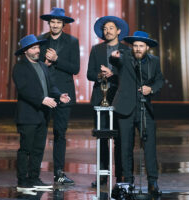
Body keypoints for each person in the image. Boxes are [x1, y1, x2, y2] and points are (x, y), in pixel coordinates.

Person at [13, 34, 70, 191]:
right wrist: (41, 99)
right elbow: (24, 90)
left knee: (38, 149)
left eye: (38, 47)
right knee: (26, 149)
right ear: (25, 51)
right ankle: (22, 181)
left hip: (42, 115)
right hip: (27, 115)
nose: (37, 50)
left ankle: (34, 178)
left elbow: (51, 86)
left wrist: (59, 95)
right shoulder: (20, 67)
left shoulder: (43, 66)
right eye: (33, 48)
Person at [110, 31, 164, 196]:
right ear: (132, 47)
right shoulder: (125, 57)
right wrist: (114, 57)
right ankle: (127, 180)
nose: (138, 49)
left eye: (141, 46)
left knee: (149, 147)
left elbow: (159, 80)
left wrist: (151, 89)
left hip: (144, 108)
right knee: (125, 146)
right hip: (125, 108)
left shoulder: (154, 61)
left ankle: (152, 182)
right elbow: (115, 59)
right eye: (135, 46)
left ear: (147, 47)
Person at [38, 7, 80, 185]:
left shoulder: (72, 41)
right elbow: (35, 64)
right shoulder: (40, 40)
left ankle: (59, 173)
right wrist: (45, 62)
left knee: (60, 134)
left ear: (63, 24)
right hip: (44, 91)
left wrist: (57, 60)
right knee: (39, 132)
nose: (55, 25)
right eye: (52, 22)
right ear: (49, 23)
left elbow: (75, 68)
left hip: (64, 93)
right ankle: (33, 173)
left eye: (58, 22)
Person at [87, 16, 130, 187]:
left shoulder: (126, 50)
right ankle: (102, 174)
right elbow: (89, 74)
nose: (108, 31)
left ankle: (120, 176)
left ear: (118, 31)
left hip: (120, 99)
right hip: (100, 99)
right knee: (102, 139)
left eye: (111, 28)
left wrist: (114, 74)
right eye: (105, 28)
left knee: (120, 139)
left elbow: (129, 75)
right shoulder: (96, 49)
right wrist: (100, 75)